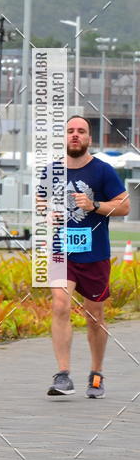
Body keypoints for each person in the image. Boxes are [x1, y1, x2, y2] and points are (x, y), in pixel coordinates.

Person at [46, 115, 129, 398]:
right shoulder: (52, 171)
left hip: (95, 254)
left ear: (89, 138)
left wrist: (94, 206)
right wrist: (47, 214)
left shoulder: (103, 171)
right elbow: (40, 202)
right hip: (61, 252)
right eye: (70, 131)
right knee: (60, 305)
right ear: (64, 137)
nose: (75, 135)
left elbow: (124, 207)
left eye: (81, 131)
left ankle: (96, 373)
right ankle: (63, 374)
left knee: (95, 316)